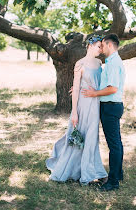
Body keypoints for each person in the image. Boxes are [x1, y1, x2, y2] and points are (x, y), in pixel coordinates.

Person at [46, 35, 108, 185]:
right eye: (98, 46)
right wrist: (74, 112)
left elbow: (100, 83)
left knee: (92, 138)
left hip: (95, 104)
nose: (101, 49)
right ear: (90, 45)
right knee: (78, 136)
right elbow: (75, 91)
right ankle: (74, 169)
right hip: (82, 105)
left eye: (101, 46)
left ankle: (92, 171)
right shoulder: (79, 64)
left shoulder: (100, 63)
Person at [82, 33, 125, 191]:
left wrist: (94, 94)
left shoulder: (113, 63)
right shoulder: (112, 61)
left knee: (114, 145)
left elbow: (112, 88)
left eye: (103, 45)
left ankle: (113, 182)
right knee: (117, 143)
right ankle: (118, 173)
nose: (101, 48)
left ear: (109, 45)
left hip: (110, 106)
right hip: (113, 105)